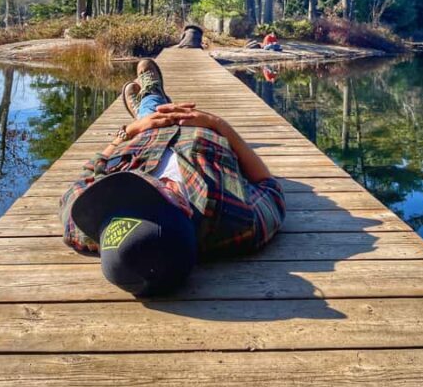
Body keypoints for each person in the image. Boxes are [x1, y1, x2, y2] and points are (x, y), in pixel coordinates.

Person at [60, 58, 286, 297]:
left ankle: (147, 101)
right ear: (183, 208)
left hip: (143, 139)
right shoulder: (236, 218)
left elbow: (81, 181)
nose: (130, 191)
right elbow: (270, 187)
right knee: (160, 110)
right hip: (200, 131)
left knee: (152, 112)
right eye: (146, 196)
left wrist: (126, 133)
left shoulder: (87, 226)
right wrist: (218, 124)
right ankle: (150, 99)